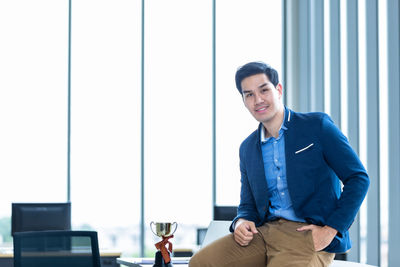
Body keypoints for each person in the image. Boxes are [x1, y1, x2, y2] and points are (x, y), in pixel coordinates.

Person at [189, 62, 369, 267]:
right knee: (200, 263)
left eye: (264, 90)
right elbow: (247, 205)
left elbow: (358, 178)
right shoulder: (248, 148)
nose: (258, 100)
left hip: (306, 236)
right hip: (264, 234)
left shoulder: (316, 126)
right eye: (249, 95)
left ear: (278, 90)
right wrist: (241, 221)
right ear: (244, 101)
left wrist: (331, 229)